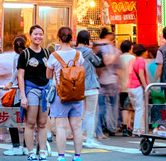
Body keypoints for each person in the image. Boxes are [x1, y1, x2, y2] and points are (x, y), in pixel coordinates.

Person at [46, 27, 85, 161]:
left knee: (61, 127)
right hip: (76, 93)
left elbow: (48, 75)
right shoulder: (78, 55)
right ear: (72, 38)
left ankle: (61, 157)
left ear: (58, 38)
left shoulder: (54, 55)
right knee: (76, 127)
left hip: (60, 94)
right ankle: (77, 156)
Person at [16, 25, 51, 161]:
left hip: (45, 90)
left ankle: (42, 152)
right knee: (30, 122)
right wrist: (23, 96)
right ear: (30, 36)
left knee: (43, 123)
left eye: (40, 34)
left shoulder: (47, 53)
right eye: (35, 34)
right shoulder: (25, 54)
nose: (38, 37)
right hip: (31, 90)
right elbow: (20, 76)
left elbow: (51, 73)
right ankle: (31, 153)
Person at [75, 30, 103, 147]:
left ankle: (79, 137)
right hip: (91, 85)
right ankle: (89, 139)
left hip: (77, 86)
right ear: (87, 39)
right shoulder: (89, 51)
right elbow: (98, 62)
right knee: (91, 113)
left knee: (79, 114)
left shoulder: (73, 52)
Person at [3, 35, 28, 156]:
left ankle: (16, 145)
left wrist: (11, 82)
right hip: (29, 90)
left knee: (12, 118)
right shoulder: (29, 54)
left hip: (19, 91)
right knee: (28, 120)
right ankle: (26, 146)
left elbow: (17, 71)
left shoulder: (17, 57)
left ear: (14, 46)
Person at [95, 28, 120, 138]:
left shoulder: (96, 48)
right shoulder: (115, 50)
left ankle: (100, 129)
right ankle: (111, 127)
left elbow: (96, 66)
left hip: (100, 80)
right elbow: (118, 69)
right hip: (112, 81)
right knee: (113, 106)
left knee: (101, 106)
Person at [0, 44, 16, 142]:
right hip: (13, 89)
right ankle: (13, 136)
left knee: (1, 113)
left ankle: (1, 135)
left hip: (1, 89)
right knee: (14, 113)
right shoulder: (16, 57)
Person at [128, 44, 149, 136]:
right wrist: (146, 87)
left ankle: (138, 129)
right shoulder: (141, 62)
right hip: (137, 87)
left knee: (137, 108)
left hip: (130, 87)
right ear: (144, 52)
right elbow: (141, 74)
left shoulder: (133, 61)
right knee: (139, 109)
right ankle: (136, 129)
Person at [118, 40, 134, 137]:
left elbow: (118, 72)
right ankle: (129, 126)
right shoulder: (133, 58)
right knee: (131, 108)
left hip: (122, 85)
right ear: (130, 48)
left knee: (124, 107)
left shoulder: (119, 58)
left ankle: (124, 127)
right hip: (132, 86)